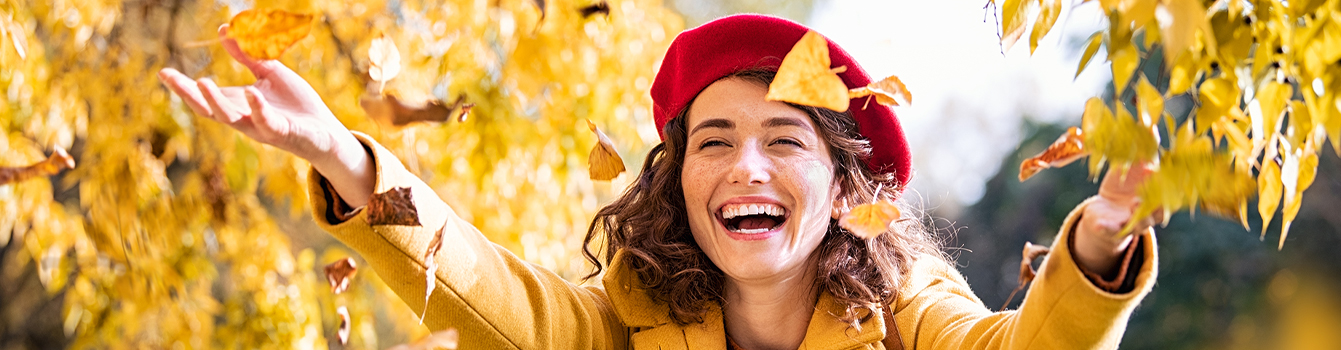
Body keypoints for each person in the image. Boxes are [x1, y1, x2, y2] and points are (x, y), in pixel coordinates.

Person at [160, 14, 1159, 350]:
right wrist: (346, 157)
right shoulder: (623, 318)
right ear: (678, 178)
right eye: (713, 141)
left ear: (845, 188)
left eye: (784, 139)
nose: (745, 166)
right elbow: (482, 282)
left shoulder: (904, 310)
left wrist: (1105, 231)